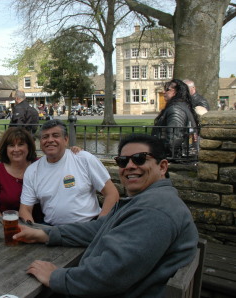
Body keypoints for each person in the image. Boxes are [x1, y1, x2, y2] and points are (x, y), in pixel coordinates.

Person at [13, 134, 198, 297]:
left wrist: (56, 277)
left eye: (140, 159)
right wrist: (45, 234)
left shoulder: (154, 211)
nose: (130, 166)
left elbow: (111, 275)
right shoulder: (147, 200)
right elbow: (100, 227)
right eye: (123, 161)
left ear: (163, 166)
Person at [19, 119, 119, 225]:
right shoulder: (32, 170)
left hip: (87, 225)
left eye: (55, 135)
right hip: (52, 230)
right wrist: (32, 231)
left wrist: (99, 225)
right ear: (40, 143)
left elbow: (112, 194)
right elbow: (25, 209)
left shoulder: (84, 159)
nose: (50, 140)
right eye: (45, 137)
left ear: (66, 140)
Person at [152, 79, 200, 158]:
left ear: (176, 92)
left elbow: (174, 140)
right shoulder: (182, 106)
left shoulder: (176, 109)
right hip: (182, 158)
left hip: (177, 160)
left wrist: (160, 151)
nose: (164, 92)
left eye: (167, 90)